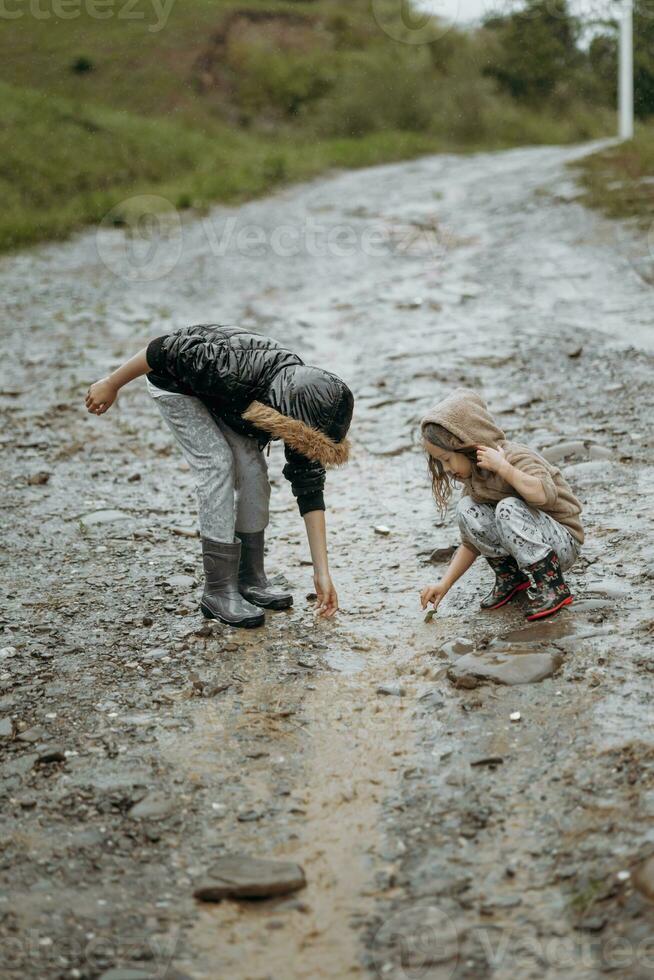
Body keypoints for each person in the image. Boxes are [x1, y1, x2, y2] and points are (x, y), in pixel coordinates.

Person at [85, 324, 353, 628]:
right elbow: (160, 350)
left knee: (253, 468)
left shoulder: (303, 411)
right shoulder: (229, 365)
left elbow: (309, 487)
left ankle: (250, 578)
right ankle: (218, 590)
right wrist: (111, 383)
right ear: (283, 414)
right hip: (179, 385)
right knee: (217, 462)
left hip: (231, 402)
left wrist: (322, 572)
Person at [418, 388, 583, 621]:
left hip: (562, 542)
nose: (445, 469)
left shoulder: (514, 457)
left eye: (446, 459)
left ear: (467, 444)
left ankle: (552, 585)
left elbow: (544, 495)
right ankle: (512, 578)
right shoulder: (475, 479)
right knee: (467, 508)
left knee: (507, 507)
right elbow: (470, 543)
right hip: (529, 544)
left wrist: (504, 469)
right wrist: (444, 584)